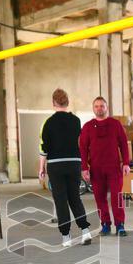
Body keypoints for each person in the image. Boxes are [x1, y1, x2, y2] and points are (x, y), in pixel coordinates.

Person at [39, 88, 92, 247]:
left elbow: (44, 148)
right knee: (75, 197)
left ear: (53, 103)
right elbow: (80, 144)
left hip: (56, 165)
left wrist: (41, 168)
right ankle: (85, 231)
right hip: (74, 163)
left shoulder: (48, 123)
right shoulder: (76, 121)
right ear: (67, 102)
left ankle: (66, 237)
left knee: (61, 200)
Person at [80, 96, 131, 236]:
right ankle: (105, 225)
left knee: (117, 197)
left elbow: (124, 144)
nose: (99, 108)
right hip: (96, 169)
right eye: (96, 106)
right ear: (93, 108)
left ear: (106, 108)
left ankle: (120, 225)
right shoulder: (88, 127)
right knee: (99, 198)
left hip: (114, 168)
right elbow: (83, 148)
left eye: (102, 106)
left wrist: (126, 163)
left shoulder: (115, 124)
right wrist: (84, 167)